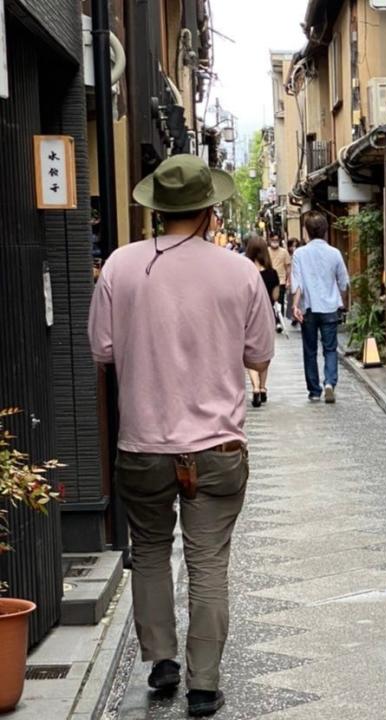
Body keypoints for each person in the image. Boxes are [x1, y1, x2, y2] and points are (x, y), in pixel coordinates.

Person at [87, 154, 275, 718]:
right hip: (217, 447)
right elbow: (260, 353)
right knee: (209, 562)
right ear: (210, 210)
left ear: (155, 210)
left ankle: (162, 661)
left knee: (147, 550)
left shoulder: (120, 266)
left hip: (143, 442)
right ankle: (203, 685)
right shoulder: (238, 270)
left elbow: (102, 350)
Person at [290, 211, 349, 403]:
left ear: (306, 230)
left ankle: (314, 391)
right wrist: (341, 298)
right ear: (325, 231)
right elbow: (344, 282)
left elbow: (297, 282)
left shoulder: (299, 253)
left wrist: (295, 305)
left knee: (310, 350)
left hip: (308, 308)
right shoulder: (334, 253)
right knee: (330, 349)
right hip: (330, 307)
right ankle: (330, 382)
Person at [245, 236, 280, 406]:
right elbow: (275, 297)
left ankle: (255, 387)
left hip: (247, 317)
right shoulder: (272, 273)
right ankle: (264, 387)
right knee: (264, 351)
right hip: (266, 317)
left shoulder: (244, 272)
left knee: (249, 352)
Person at [267, 233, 291, 328]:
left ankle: (279, 321)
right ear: (269, 240)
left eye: (276, 240)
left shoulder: (284, 252)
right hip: (269, 280)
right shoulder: (266, 251)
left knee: (279, 301)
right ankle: (274, 320)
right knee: (270, 302)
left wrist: (288, 279)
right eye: (273, 239)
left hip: (281, 281)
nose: (275, 242)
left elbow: (288, 267)